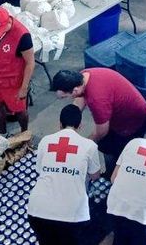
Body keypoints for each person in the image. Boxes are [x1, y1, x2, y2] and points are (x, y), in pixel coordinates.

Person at [27, 104, 101, 245]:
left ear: (59, 124)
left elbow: (40, 170)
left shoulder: (45, 141)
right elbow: (95, 175)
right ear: (80, 126)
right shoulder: (89, 146)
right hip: (72, 216)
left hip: (37, 210)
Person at [51, 68, 146, 161]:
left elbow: (102, 131)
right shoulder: (84, 76)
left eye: (65, 97)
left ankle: (111, 173)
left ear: (75, 90)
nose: (66, 98)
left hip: (132, 119)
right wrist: (69, 125)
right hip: (123, 107)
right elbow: (79, 99)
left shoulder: (97, 100)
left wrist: (85, 144)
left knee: (116, 151)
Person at [0, 7, 35, 134]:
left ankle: (25, 133)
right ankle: (2, 133)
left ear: (8, 23)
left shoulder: (22, 36)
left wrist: (24, 88)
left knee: (20, 111)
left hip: (12, 83)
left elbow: (30, 63)